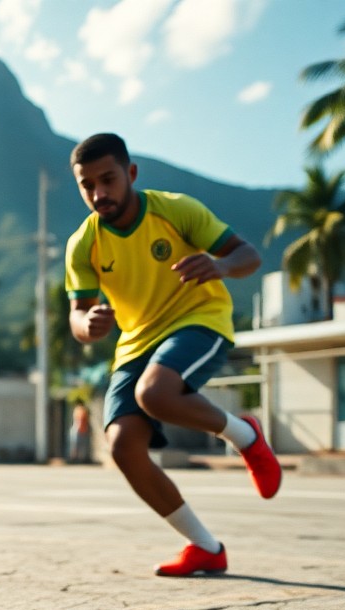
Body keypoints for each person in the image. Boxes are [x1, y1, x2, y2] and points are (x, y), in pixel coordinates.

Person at [64, 133, 281, 577]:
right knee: (123, 446)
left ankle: (247, 437)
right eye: (88, 185)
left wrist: (219, 266)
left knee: (155, 393)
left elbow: (249, 255)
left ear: (131, 174)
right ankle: (205, 547)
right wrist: (88, 326)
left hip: (199, 318)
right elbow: (78, 315)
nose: (99, 194)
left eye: (108, 179)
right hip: (136, 341)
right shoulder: (83, 245)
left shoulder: (175, 210)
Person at [68, 399, 92, 463]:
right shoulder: (79, 410)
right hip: (78, 429)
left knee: (80, 445)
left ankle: (79, 459)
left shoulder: (80, 410)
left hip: (81, 430)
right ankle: (74, 458)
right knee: (76, 445)